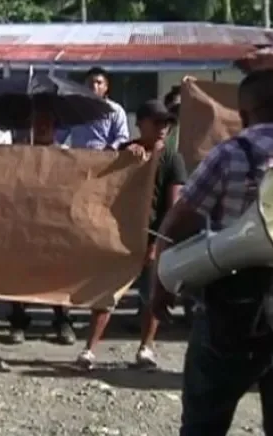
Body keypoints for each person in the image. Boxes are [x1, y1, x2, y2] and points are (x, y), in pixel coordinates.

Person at [151, 70, 273, 436]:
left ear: (242, 115)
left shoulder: (229, 155)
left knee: (204, 424)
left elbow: (177, 222)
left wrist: (162, 282)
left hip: (234, 315)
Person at [75, 99, 187, 370]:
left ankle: (146, 348)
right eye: (157, 122)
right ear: (141, 124)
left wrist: (157, 244)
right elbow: (102, 190)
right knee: (107, 293)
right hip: (120, 236)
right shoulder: (126, 152)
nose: (163, 129)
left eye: (167, 124)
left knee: (151, 296)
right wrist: (126, 160)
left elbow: (173, 207)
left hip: (153, 235)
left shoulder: (173, 158)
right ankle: (90, 349)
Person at [6, 108, 76, 345]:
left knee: (58, 273)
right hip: (23, 221)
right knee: (18, 274)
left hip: (55, 223)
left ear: (55, 126)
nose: (43, 126)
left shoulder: (66, 154)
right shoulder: (18, 153)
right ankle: (18, 321)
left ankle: (63, 321)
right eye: (38, 121)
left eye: (48, 121)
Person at [58, 67, 130, 150]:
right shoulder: (74, 110)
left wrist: (111, 148)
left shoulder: (115, 110)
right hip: (79, 159)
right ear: (84, 85)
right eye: (90, 82)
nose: (94, 86)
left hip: (104, 158)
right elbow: (58, 137)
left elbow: (122, 137)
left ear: (106, 87)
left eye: (99, 83)